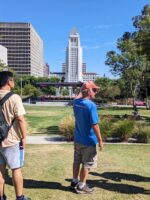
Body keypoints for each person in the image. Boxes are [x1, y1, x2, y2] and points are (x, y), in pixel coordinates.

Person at [0, 71, 31, 200]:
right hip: (11, 140)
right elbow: (20, 119)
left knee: (0, 171)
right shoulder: (14, 97)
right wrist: (24, 137)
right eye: (12, 80)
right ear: (9, 82)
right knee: (16, 169)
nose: (13, 82)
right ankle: (19, 197)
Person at [70, 81, 103, 194]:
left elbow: (79, 97)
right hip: (89, 141)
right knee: (87, 164)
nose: (95, 92)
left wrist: (85, 90)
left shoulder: (76, 102)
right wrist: (100, 139)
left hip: (78, 139)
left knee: (76, 161)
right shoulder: (91, 105)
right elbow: (95, 124)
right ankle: (81, 186)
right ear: (88, 91)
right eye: (94, 90)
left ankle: (74, 181)